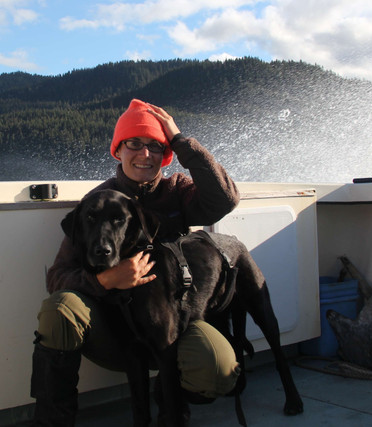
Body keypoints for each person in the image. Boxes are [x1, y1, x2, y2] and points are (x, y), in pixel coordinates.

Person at [30, 99, 241, 426]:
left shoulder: (177, 191)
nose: (145, 154)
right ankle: (53, 422)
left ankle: (169, 397)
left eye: (155, 146)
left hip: (176, 324)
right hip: (115, 333)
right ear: (118, 150)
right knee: (60, 308)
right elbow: (58, 277)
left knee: (218, 372)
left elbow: (225, 199)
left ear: (165, 154)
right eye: (134, 143)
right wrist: (106, 281)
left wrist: (180, 140)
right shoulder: (96, 204)